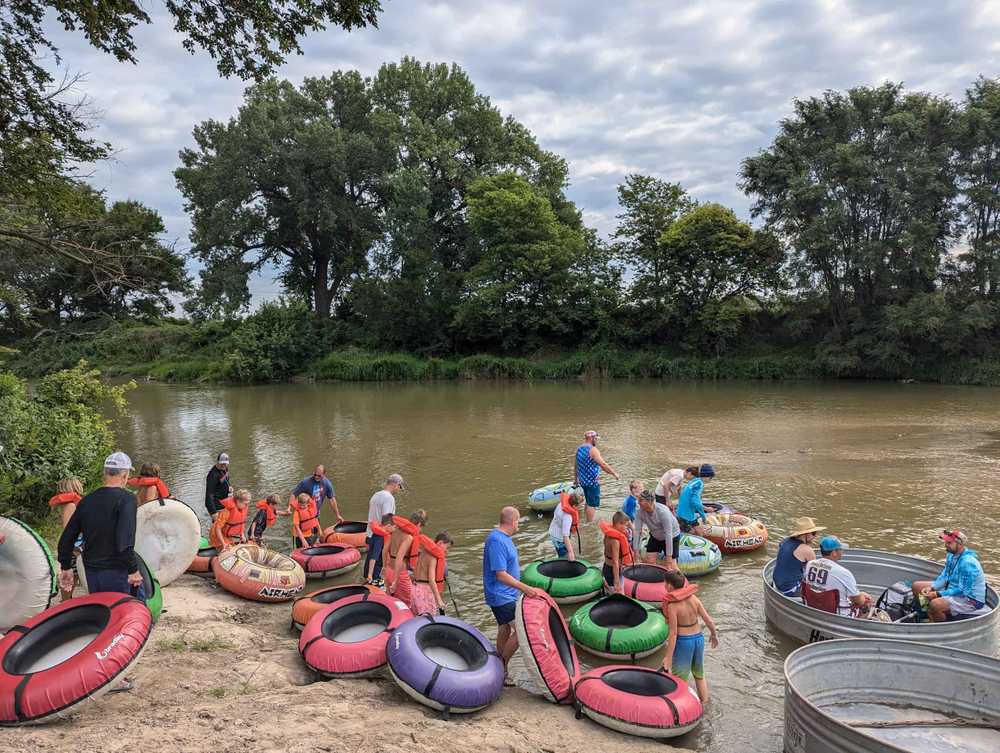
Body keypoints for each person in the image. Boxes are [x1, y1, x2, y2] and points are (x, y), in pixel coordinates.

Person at [56, 452, 141, 692]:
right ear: (124, 475)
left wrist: (66, 567)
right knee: (121, 622)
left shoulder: (87, 501)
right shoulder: (126, 500)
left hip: (92, 571)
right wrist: (133, 570)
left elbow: (66, 540)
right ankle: (114, 677)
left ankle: (100, 670)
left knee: (103, 620)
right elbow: (125, 540)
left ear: (106, 473)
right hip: (117, 570)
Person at [483, 506, 546, 679]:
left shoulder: (503, 538)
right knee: (522, 631)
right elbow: (500, 574)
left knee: (504, 628)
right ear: (513, 521)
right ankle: (502, 667)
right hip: (501, 595)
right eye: (518, 521)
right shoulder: (497, 541)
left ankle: (498, 665)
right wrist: (525, 588)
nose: (519, 524)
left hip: (507, 594)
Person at [661, 569, 719, 704]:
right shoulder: (694, 599)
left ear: (669, 586)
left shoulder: (673, 606)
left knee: (679, 679)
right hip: (698, 639)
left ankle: (682, 709)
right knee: (699, 675)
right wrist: (714, 634)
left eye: (664, 583)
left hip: (684, 643)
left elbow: (673, 633)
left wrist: (668, 658)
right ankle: (705, 704)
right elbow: (708, 620)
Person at [912, 530, 987, 622]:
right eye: (945, 542)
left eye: (949, 543)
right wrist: (932, 588)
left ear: (959, 544)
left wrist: (937, 594)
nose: (946, 545)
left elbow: (963, 590)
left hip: (970, 599)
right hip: (953, 588)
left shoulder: (968, 563)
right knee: (917, 586)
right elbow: (945, 576)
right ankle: (926, 616)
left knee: (935, 605)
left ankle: (939, 626)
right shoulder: (951, 555)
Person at [804, 537, 873, 615]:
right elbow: (858, 601)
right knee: (867, 601)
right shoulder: (843, 572)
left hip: (814, 607)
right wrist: (863, 595)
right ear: (834, 552)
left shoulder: (810, 564)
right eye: (840, 549)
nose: (842, 551)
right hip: (838, 614)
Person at [364, 474, 404, 586]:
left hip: (370, 533)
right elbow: (386, 519)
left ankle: (368, 581)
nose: (398, 490)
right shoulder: (389, 498)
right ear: (396, 484)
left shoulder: (376, 495)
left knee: (370, 561)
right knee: (378, 564)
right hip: (380, 535)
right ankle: (375, 586)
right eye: (399, 487)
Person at [49, 477, 84, 601]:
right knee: (71, 578)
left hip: (73, 545)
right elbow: (68, 529)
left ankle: (66, 602)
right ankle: (65, 603)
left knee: (72, 578)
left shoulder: (70, 504)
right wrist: (76, 547)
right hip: (73, 546)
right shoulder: (70, 505)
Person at [574, 430, 621, 523]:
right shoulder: (593, 450)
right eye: (595, 438)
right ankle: (589, 524)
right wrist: (614, 473)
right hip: (592, 483)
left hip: (583, 481)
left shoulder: (579, 449)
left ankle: (587, 520)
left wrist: (576, 480)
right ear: (591, 438)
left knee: (588, 501)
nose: (596, 440)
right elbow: (603, 464)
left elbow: (576, 466)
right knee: (592, 504)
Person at [773, 517, 825, 596]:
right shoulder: (807, 550)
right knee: (823, 589)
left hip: (777, 585)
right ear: (806, 534)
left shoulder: (785, 541)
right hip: (790, 589)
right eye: (814, 533)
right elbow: (815, 577)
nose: (815, 536)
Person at [385, 510, 426, 604]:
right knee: (408, 602)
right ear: (419, 524)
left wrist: (384, 568)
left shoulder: (395, 531)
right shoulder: (408, 537)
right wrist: (395, 581)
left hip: (388, 570)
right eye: (421, 527)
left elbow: (385, 550)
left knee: (391, 601)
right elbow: (399, 558)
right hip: (399, 574)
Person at [411, 531, 453, 616]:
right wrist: (439, 600)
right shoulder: (433, 557)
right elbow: (431, 580)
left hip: (415, 589)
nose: (447, 551)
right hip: (425, 592)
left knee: (417, 619)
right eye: (447, 547)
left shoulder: (424, 552)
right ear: (440, 543)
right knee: (428, 620)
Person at [634, 490, 679, 568]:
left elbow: (668, 534)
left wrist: (668, 558)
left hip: (672, 536)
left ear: (649, 501)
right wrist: (636, 552)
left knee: (672, 566)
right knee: (650, 561)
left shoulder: (662, 512)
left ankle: (682, 580)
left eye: (640, 500)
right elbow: (637, 532)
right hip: (655, 535)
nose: (638, 502)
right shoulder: (640, 512)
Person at [601, 511, 633, 593]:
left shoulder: (607, 534)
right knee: (618, 595)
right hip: (613, 571)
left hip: (606, 567)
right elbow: (615, 562)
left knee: (611, 592)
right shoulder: (615, 541)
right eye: (625, 525)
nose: (626, 528)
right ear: (619, 524)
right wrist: (617, 581)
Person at [676, 465, 711, 533]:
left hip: (682, 513)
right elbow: (696, 502)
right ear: (707, 476)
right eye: (710, 477)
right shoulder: (699, 484)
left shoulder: (692, 482)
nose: (710, 479)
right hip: (686, 516)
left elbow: (686, 497)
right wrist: (703, 517)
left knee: (699, 531)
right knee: (694, 532)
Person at [548, 492, 580, 560]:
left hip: (552, 532)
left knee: (561, 553)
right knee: (564, 559)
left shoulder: (561, 504)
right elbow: (565, 535)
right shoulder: (567, 517)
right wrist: (571, 552)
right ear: (574, 506)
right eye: (579, 505)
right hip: (559, 539)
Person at [205, 453, 231, 521]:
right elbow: (209, 495)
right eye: (222, 463)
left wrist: (229, 487)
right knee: (218, 528)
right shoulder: (212, 475)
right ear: (217, 462)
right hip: (217, 506)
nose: (224, 465)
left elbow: (226, 480)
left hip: (225, 503)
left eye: (225, 464)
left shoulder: (225, 469)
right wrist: (213, 512)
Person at [620, 480, 641, 548]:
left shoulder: (630, 498)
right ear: (634, 490)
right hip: (627, 524)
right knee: (631, 541)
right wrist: (634, 528)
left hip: (625, 522)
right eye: (640, 489)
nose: (641, 491)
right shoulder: (632, 502)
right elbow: (629, 515)